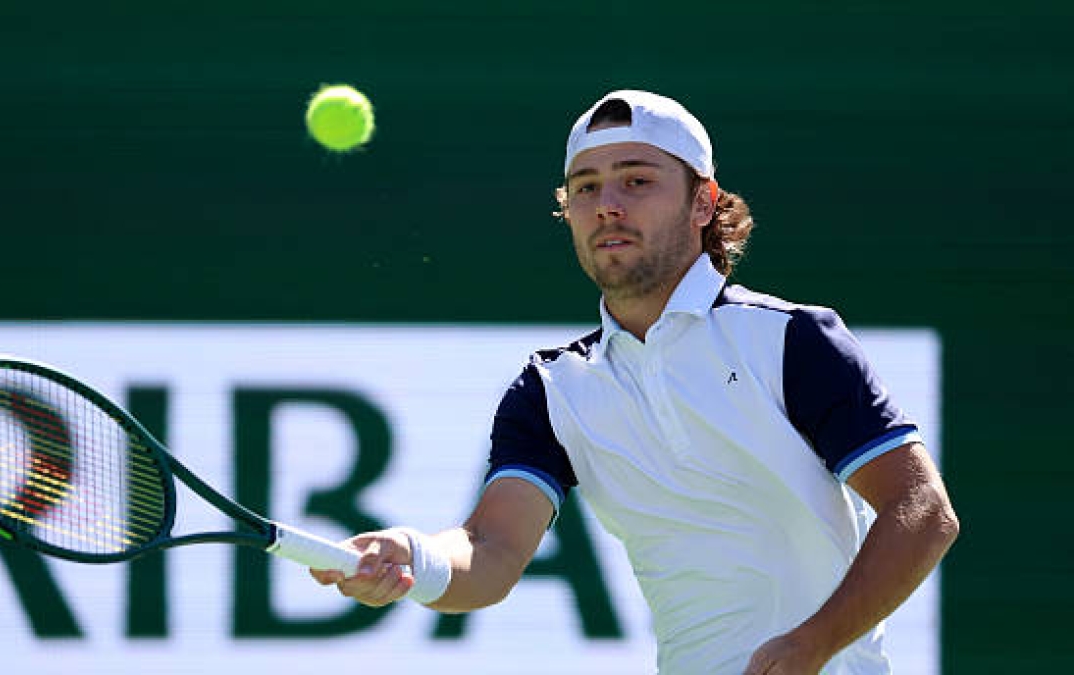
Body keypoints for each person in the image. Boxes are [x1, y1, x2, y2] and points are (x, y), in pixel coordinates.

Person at [310, 89, 959, 674]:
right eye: (585, 188)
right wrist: (412, 557)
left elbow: (923, 510)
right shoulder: (551, 387)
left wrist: (811, 643)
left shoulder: (793, 341)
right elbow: (490, 550)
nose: (607, 206)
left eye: (637, 180)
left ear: (704, 201)